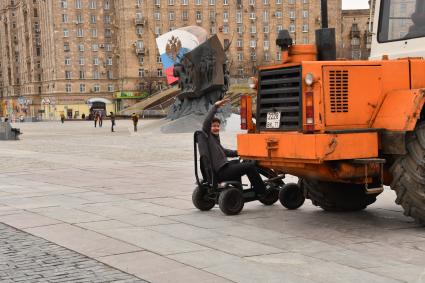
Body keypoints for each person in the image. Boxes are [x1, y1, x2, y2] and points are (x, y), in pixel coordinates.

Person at [202, 98, 266, 196]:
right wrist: (215, 106)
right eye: (213, 126)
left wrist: (239, 152)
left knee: (239, 163)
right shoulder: (207, 136)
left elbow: (225, 152)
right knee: (250, 166)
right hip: (221, 172)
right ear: (209, 128)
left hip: (217, 171)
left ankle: (238, 191)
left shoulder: (212, 140)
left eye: (217, 126)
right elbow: (206, 122)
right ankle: (262, 191)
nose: (216, 128)